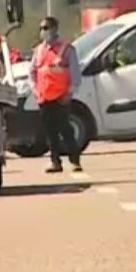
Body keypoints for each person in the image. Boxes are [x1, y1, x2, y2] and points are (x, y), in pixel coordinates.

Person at [29, 16, 83, 173]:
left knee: (65, 129)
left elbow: (75, 74)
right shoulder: (39, 50)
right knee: (50, 131)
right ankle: (55, 161)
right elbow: (32, 71)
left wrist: (69, 92)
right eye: (41, 29)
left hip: (61, 97)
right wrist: (35, 90)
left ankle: (74, 160)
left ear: (54, 29)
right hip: (44, 97)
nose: (43, 32)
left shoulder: (66, 49)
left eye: (46, 28)